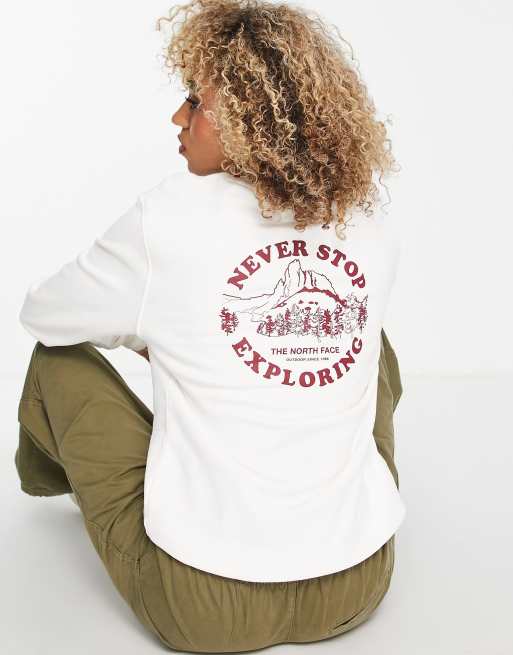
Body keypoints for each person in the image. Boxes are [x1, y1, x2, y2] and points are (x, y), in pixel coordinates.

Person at [15, 0, 406, 651]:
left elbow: (45, 315)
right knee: (373, 340)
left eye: (195, 102)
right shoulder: (365, 222)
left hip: (201, 604)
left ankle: (50, 482)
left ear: (250, 122)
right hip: (358, 584)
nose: (179, 118)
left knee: (56, 358)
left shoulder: (169, 217)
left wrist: (147, 333)